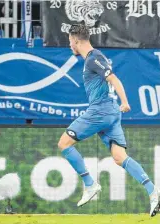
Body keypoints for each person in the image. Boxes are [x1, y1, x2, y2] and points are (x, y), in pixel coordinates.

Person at [57, 24, 159, 217]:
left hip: (101, 110)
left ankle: (90, 184)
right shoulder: (97, 56)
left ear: (76, 40)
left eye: (70, 41)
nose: (69, 44)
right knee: (120, 157)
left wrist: (126, 101)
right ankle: (153, 192)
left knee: (63, 143)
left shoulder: (93, 58)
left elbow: (114, 79)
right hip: (111, 112)